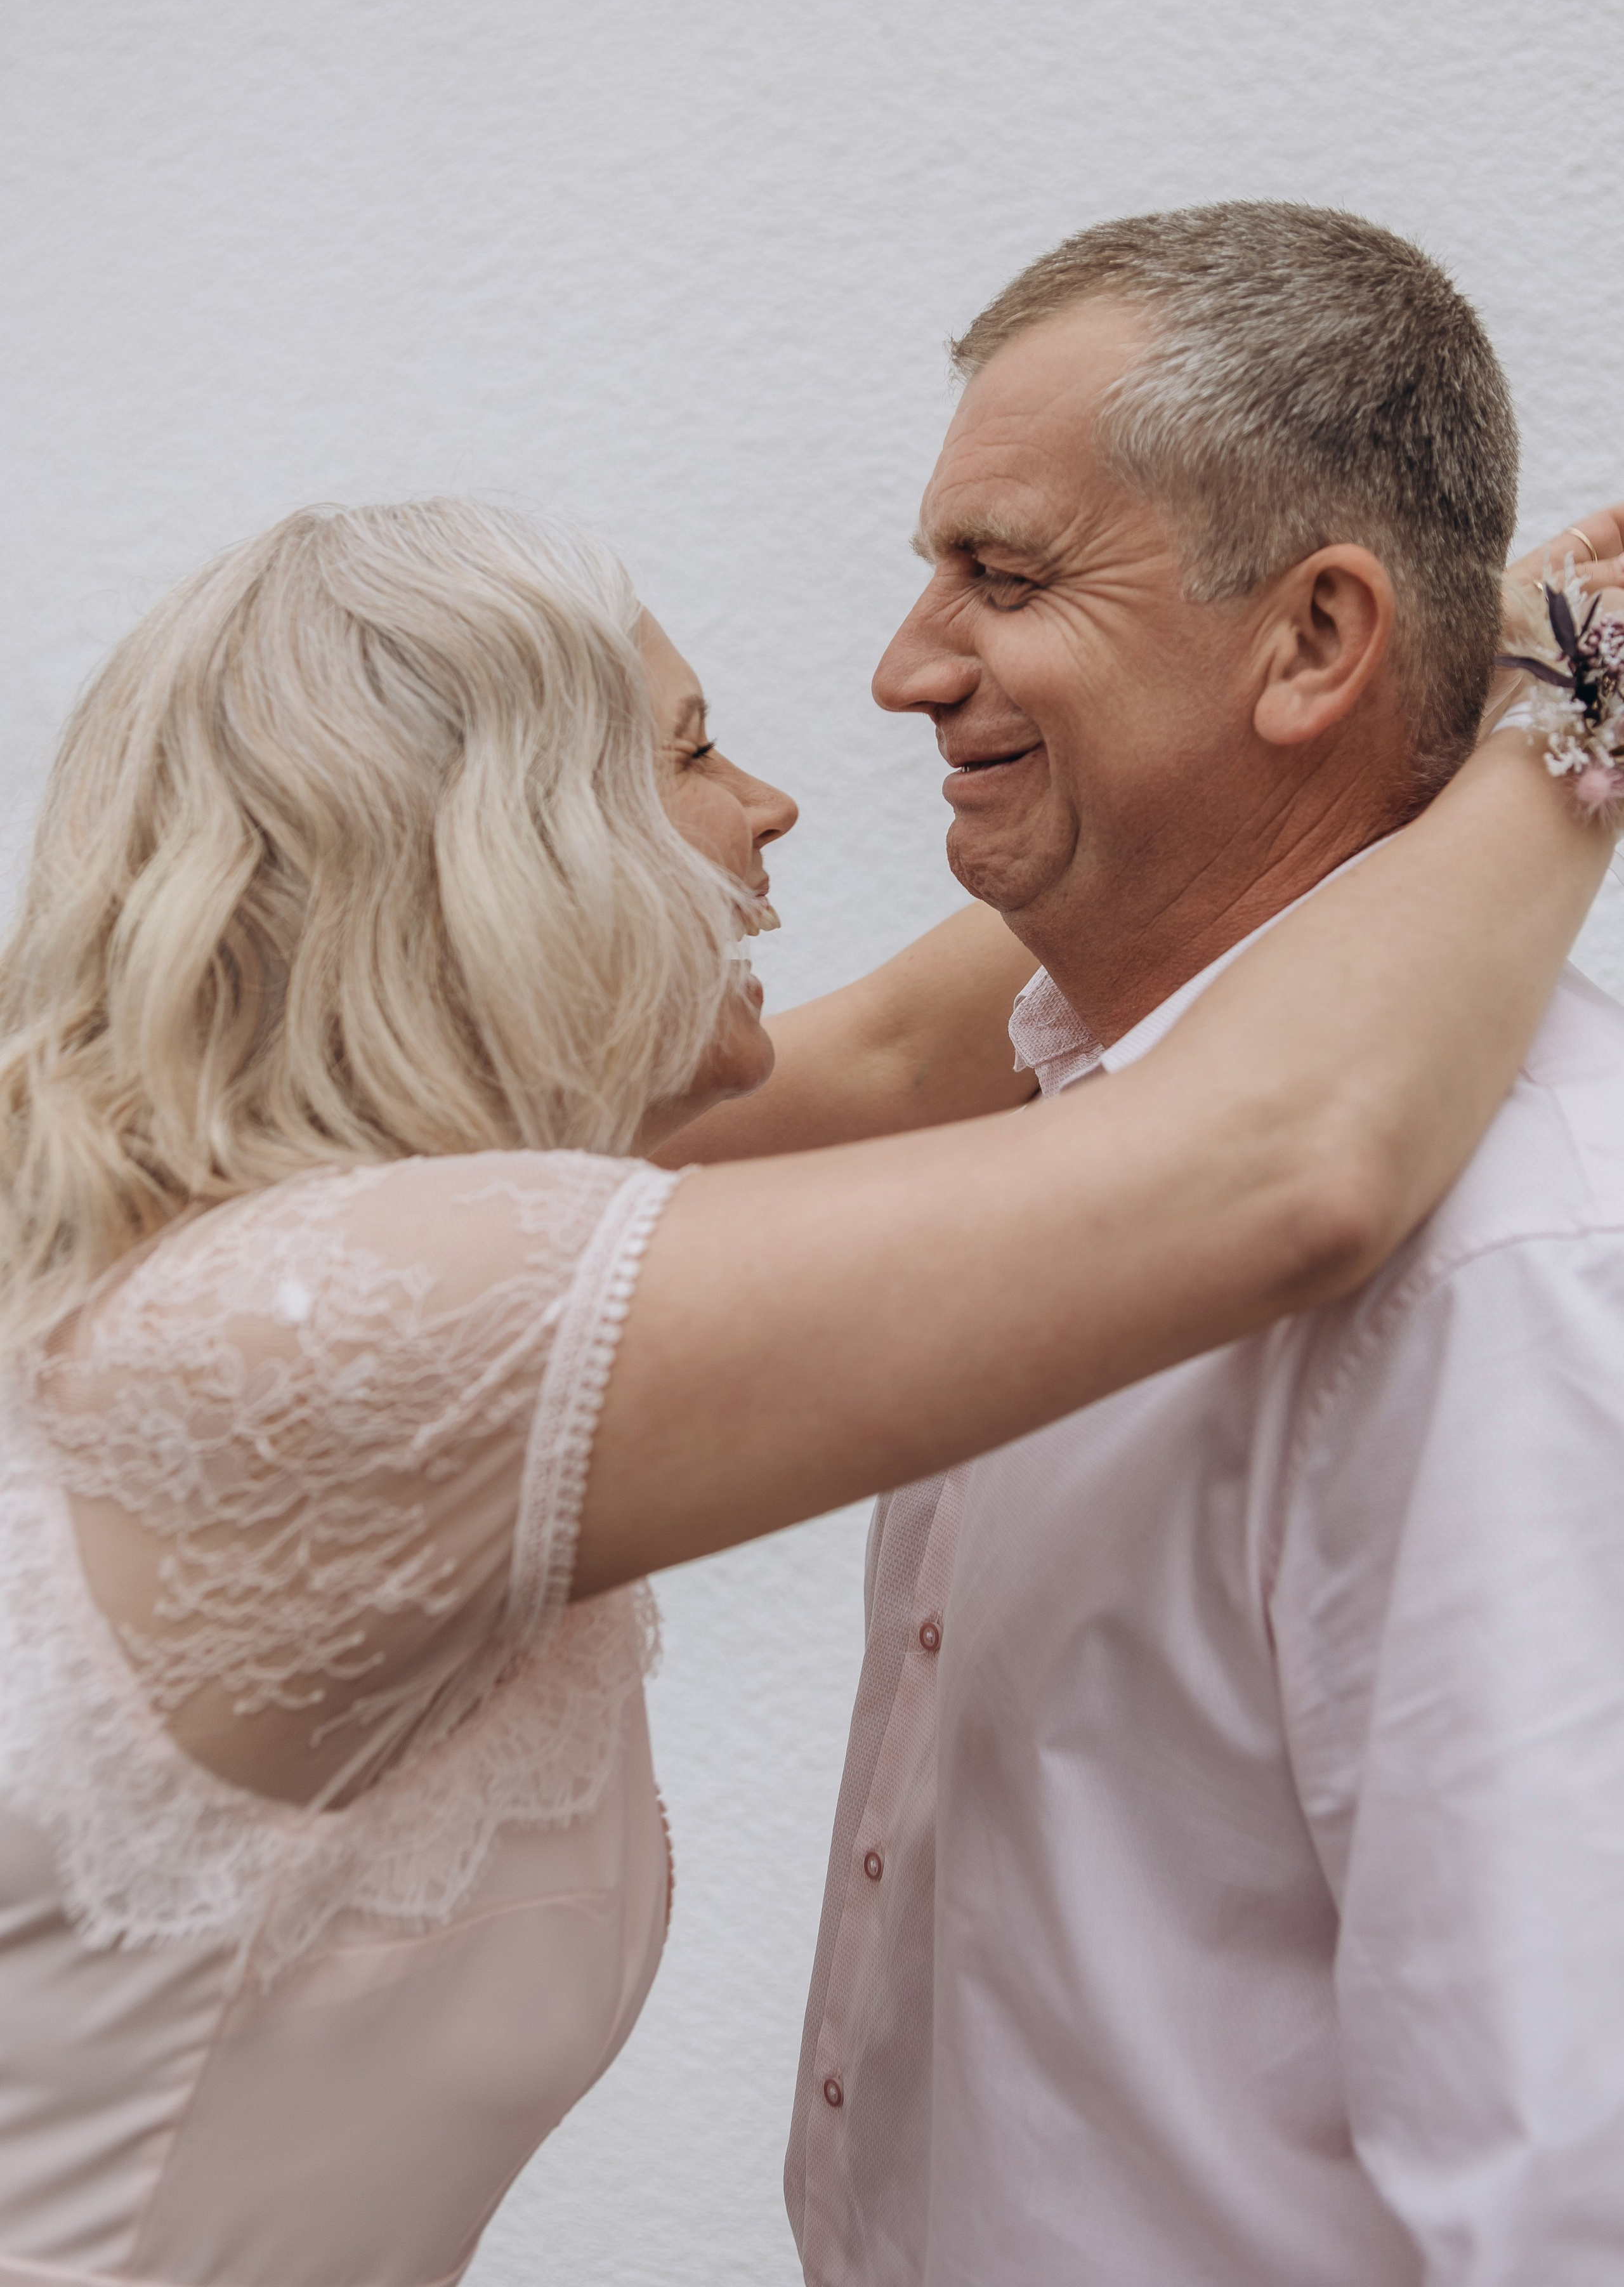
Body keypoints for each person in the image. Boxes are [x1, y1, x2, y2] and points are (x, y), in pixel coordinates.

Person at [0, 488, 1605, 2287]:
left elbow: (914, 1046)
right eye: (689, 751)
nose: (767, 804)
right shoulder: (332, 1332)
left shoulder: (303, 1215)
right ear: (502, 855)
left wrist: (1354, 720)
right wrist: (1582, 706)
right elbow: (1281, 1166)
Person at [718, 204, 1624, 2287]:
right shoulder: (1057, 1121)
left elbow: (1561, 2190)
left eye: (1003, 576)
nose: (901, 666)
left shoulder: (1510, 1264)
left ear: (1313, 643)